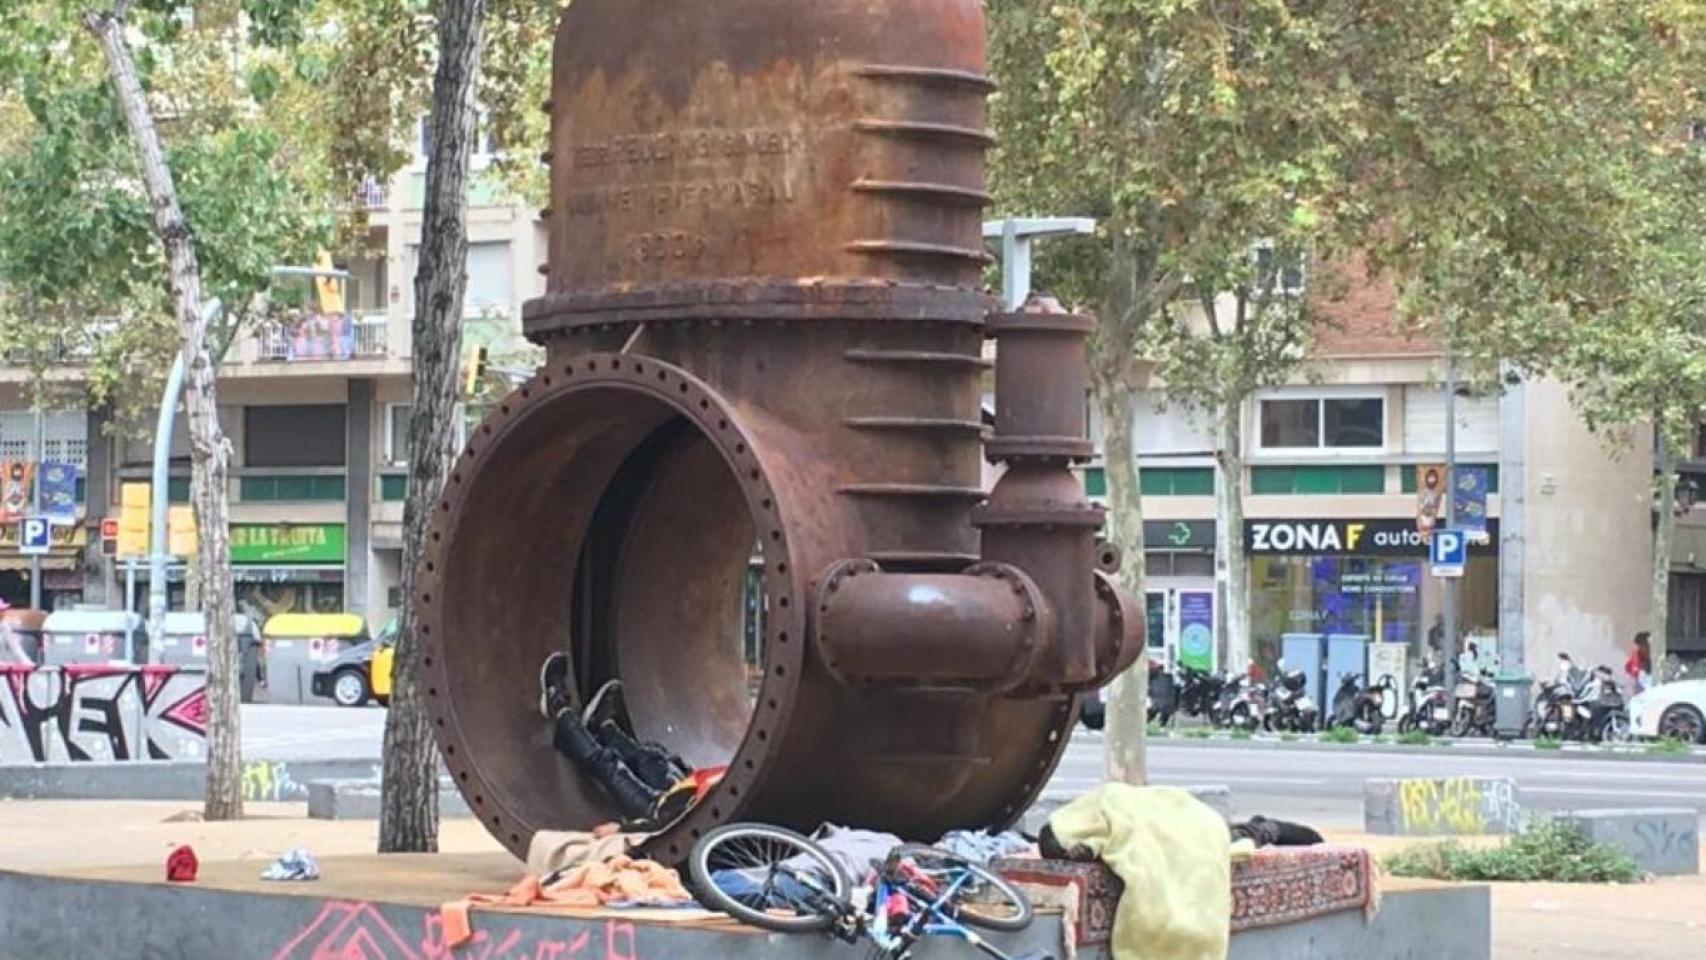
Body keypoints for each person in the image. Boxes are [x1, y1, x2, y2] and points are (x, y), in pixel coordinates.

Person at [538, 652, 721, 832]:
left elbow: (675, 824)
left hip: (652, 810)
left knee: (608, 764)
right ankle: (602, 728)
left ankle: (559, 708)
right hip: (681, 789)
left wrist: (623, 829)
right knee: (651, 757)